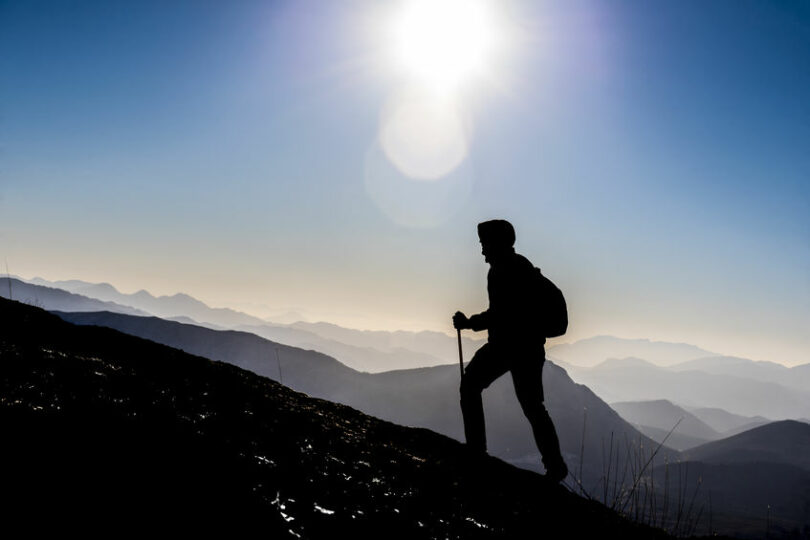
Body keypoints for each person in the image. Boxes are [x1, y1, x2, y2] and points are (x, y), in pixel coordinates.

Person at [453, 219, 568, 482]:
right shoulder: (515, 268)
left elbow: (500, 314)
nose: (482, 250)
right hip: (526, 348)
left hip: (509, 346)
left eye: (484, 244)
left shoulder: (505, 271)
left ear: (496, 243)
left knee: (471, 386)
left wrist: (469, 323)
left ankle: (476, 451)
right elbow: (503, 314)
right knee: (533, 407)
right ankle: (555, 465)